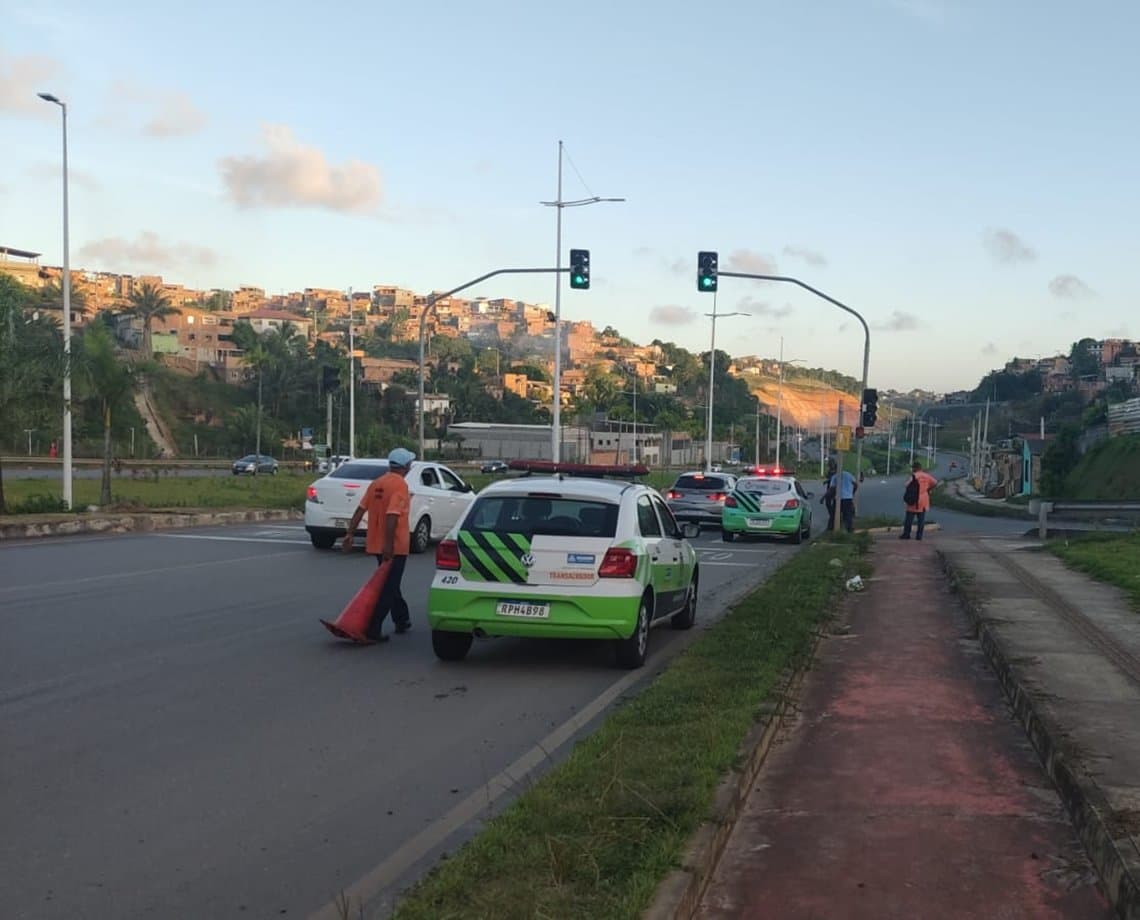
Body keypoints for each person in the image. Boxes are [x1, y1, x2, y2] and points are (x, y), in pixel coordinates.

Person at [342, 447, 415, 641]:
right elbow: (392, 516)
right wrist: (389, 546)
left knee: (390, 584)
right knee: (388, 589)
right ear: (406, 467)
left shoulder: (377, 483)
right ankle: (373, 628)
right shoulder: (400, 486)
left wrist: (350, 533)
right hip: (394, 546)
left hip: (375, 543)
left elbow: (360, 509)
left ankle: (402, 619)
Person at [900, 461, 939, 541]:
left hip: (913, 499)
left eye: (913, 468)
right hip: (924, 500)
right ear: (921, 468)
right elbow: (935, 482)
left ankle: (907, 534)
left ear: (914, 468)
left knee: (909, 519)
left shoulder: (914, 476)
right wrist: (928, 489)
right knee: (921, 519)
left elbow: (906, 485)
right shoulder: (927, 476)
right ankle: (919, 536)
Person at [829, 464, 859, 533]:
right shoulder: (848, 474)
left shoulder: (835, 477)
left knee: (835, 514)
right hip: (848, 498)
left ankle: (833, 529)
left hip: (838, 499)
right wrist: (852, 492)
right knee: (848, 514)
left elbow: (832, 488)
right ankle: (849, 529)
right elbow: (856, 484)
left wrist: (828, 496)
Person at [820, 460, 838, 531]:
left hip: (833, 489)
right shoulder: (830, 470)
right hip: (830, 487)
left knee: (831, 503)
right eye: (829, 465)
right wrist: (827, 481)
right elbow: (828, 477)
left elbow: (833, 479)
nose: (830, 466)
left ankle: (833, 519)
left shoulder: (836, 471)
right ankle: (832, 516)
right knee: (828, 503)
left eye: (831, 464)